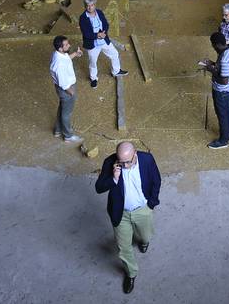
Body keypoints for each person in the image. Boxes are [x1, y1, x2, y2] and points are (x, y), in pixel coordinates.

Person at [94, 141, 161, 294]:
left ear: (135, 154)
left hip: (143, 209)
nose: (124, 165)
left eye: (127, 162)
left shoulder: (147, 159)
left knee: (145, 235)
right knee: (123, 248)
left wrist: (151, 203)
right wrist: (114, 178)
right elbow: (98, 188)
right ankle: (131, 273)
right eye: (121, 162)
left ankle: (144, 241)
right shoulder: (110, 163)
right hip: (120, 213)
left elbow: (156, 181)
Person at [79, 0, 129, 89]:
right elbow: (86, 33)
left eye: (92, 5)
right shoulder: (83, 18)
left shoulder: (100, 13)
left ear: (95, 5)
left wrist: (104, 33)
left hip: (103, 40)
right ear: (85, 6)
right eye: (88, 6)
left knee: (114, 53)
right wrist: (98, 35)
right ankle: (93, 78)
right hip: (92, 44)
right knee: (93, 62)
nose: (90, 7)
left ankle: (116, 71)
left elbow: (106, 24)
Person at [200, 31, 229, 149]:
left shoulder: (224, 59)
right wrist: (212, 63)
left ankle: (223, 140)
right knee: (228, 110)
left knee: (221, 114)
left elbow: (223, 80)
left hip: (221, 90)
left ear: (217, 45)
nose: (213, 47)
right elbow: (223, 70)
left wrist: (211, 70)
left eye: (213, 45)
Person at [49, 35, 83, 143]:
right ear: (60, 48)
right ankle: (68, 135)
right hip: (66, 89)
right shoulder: (58, 64)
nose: (69, 45)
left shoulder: (58, 54)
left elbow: (66, 58)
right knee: (66, 113)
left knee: (62, 109)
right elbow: (63, 83)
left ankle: (58, 130)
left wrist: (75, 54)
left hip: (64, 88)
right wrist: (71, 92)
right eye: (67, 45)